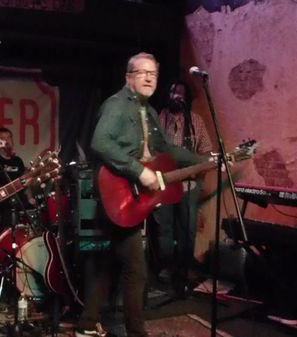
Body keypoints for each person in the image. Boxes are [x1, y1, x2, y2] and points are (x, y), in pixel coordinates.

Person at [75, 53, 208, 337]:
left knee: (107, 264)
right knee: (136, 270)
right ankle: (136, 333)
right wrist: (139, 172)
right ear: (128, 77)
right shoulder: (117, 105)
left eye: (154, 74)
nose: (149, 78)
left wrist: (204, 160)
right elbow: (99, 142)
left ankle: (87, 323)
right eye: (142, 72)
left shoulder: (147, 111)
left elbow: (167, 150)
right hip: (119, 193)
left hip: (127, 199)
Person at [153, 79, 213, 291]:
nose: (176, 95)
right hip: (165, 184)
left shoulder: (195, 121)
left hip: (189, 184)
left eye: (180, 92)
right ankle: (166, 267)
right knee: (165, 229)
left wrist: (198, 172)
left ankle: (184, 269)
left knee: (187, 229)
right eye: (172, 91)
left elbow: (206, 153)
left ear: (186, 98)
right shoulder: (160, 118)